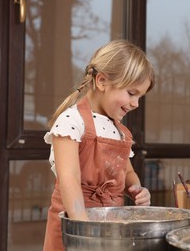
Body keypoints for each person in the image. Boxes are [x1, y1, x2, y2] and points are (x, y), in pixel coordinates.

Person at [43, 39, 155, 251]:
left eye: (140, 97)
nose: (135, 104)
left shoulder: (121, 131)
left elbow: (127, 173)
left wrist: (137, 189)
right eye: (132, 93)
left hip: (110, 229)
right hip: (74, 227)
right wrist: (84, 231)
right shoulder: (71, 122)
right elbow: (70, 179)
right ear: (102, 81)